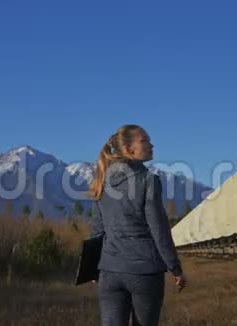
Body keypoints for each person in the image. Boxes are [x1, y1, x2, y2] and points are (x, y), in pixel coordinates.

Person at [89, 124, 186, 326]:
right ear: (128, 149)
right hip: (144, 271)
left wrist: (92, 268)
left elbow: (97, 230)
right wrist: (175, 267)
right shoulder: (148, 180)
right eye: (144, 140)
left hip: (109, 273)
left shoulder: (102, 180)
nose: (151, 144)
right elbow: (159, 229)